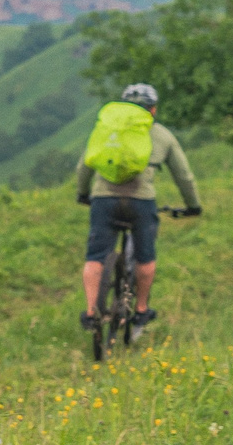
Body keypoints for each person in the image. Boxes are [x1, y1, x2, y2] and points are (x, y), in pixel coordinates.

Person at [75, 82, 201, 330]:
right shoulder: (162, 135)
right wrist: (192, 205)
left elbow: (84, 166)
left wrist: (82, 193)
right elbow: (184, 176)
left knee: (95, 257)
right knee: (145, 255)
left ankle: (91, 313)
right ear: (152, 110)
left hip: (104, 198)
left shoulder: (106, 130)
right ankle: (141, 309)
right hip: (140, 201)